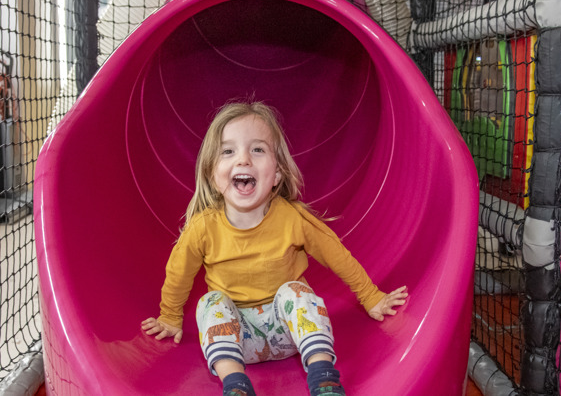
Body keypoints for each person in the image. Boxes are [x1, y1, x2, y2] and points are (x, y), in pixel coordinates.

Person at [141, 101, 408, 396]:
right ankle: (236, 385)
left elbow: (336, 255)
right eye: (228, 151)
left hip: (291, 331)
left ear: (277, 174)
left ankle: (323, 378)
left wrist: (370, 296)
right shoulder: (204, 227)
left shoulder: (292, 218)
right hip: (237, 338)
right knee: (210, 303)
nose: (243, 160)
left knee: (296, 292)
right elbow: (179, 272)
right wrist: (170, 316)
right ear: (212, 175)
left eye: (257, 149)